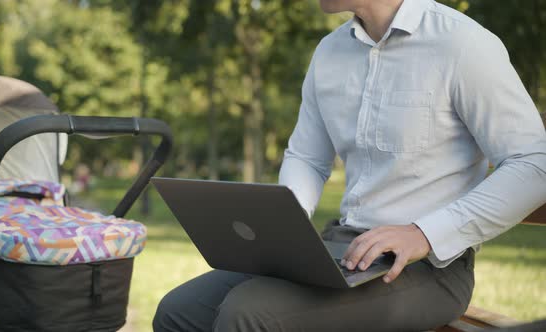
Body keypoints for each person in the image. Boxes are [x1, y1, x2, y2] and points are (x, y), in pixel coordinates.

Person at [153, 0, 546, 331]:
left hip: (430, 269)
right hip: (340, 249)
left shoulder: (462, 44)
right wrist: (284, 225)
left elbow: (534, 163)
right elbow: (307, 157)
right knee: (177, 310)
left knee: (249, 312)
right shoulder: (329, 52)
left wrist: (422, 234)